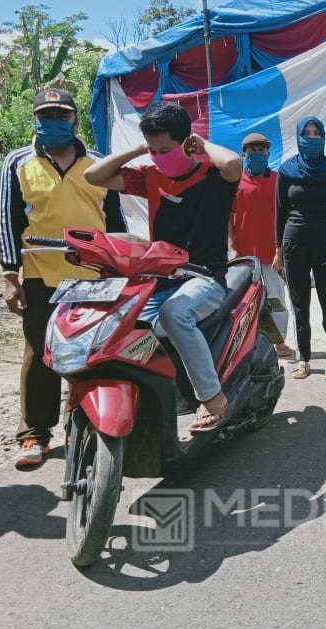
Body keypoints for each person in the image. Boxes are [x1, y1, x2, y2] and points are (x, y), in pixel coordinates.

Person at [84, 101, 242, 432]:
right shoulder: (150, 177)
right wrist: (141, 147)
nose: (158, 156)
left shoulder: (212, 176)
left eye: (164, 148)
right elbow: (94, 175)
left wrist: (202, 145)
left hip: (206, 278)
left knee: (175, 315)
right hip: (161, 279)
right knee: (121, 325)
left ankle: (212, 398)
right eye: (153, 150)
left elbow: (233, 163)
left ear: (186, 143)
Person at [0, 89, 126, 469]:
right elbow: (9, 220)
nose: (52, 120)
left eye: (60, 113)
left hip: (93, 275)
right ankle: (34, 432)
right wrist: (9, 274)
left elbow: (115, 222)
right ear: (35, 118)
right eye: (45, 113)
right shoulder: (18, 162)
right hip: (41, 274)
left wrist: (120, 267)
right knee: (41, 352)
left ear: (73, 119)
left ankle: (81, 420)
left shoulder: (99, 164)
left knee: (91, 350)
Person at [273, 117, 326, 381]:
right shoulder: (287, 170)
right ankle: (303, 359)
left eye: (316, 132)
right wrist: (278, 250)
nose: (312, 137)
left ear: (323, 136)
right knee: (299, 303)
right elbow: (279, 213)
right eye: (307, 133)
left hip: (325, 241)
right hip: (293, 243)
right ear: (298, 136)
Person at [229, 132, 294, 359]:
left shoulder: (279, 180)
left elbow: (288, 215)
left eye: (261, 150)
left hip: (274, 253)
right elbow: (228, 216)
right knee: (244, 301)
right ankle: (246, 342)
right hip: (244, 254)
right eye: (252, 150)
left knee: (277, 300)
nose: (257, 154)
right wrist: (231, 246)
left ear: (268, 153)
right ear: (244, 155)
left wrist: (284, 248)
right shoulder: (235, 182)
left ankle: (279, 342)